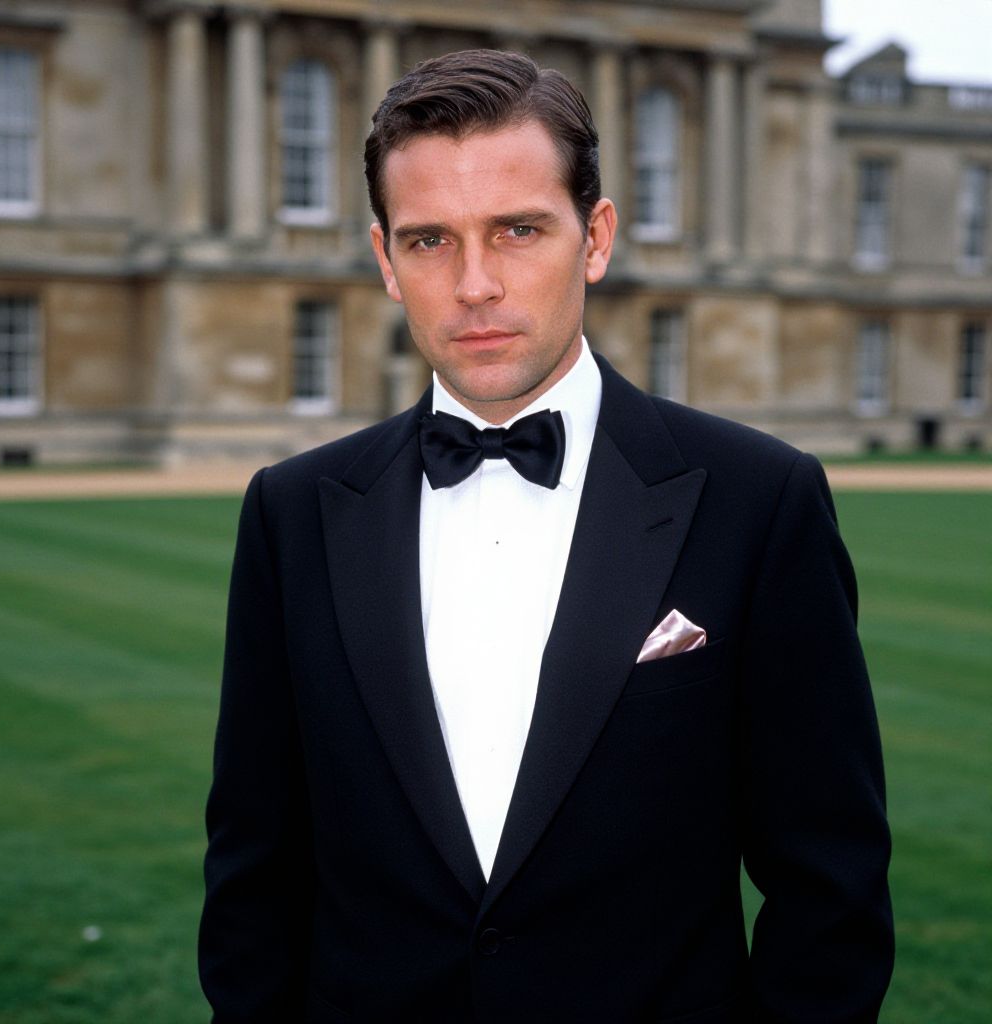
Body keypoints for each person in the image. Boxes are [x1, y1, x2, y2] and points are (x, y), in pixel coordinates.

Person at [199, 49, 893, 1022]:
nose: (474, 283)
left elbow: (831, 883)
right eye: (431, 240)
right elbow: (252, 871)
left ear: (595, 237)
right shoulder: (293, 509)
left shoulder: (759, 499)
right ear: (385, 262)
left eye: (518, 230)